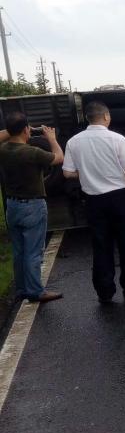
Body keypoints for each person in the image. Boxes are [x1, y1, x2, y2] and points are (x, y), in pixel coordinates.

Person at [62, 102, 125, 302]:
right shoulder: (117, 139)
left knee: (101, 245)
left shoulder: (73, 142)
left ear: (87, 118)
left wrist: (85, 173)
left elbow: (67, 173)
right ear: (107, 117)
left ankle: (104, 292)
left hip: (93, 200)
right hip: (119, 198)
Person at [0, 113, 64, 303]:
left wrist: (14, 129)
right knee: (33, 252)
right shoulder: (32, 152)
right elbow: (59, 158)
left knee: (19, 251)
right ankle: (36, 291)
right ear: (26, 129)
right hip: (33, 205)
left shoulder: (3, 150)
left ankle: (21, 290)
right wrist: (51, 139)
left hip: (12, 206)